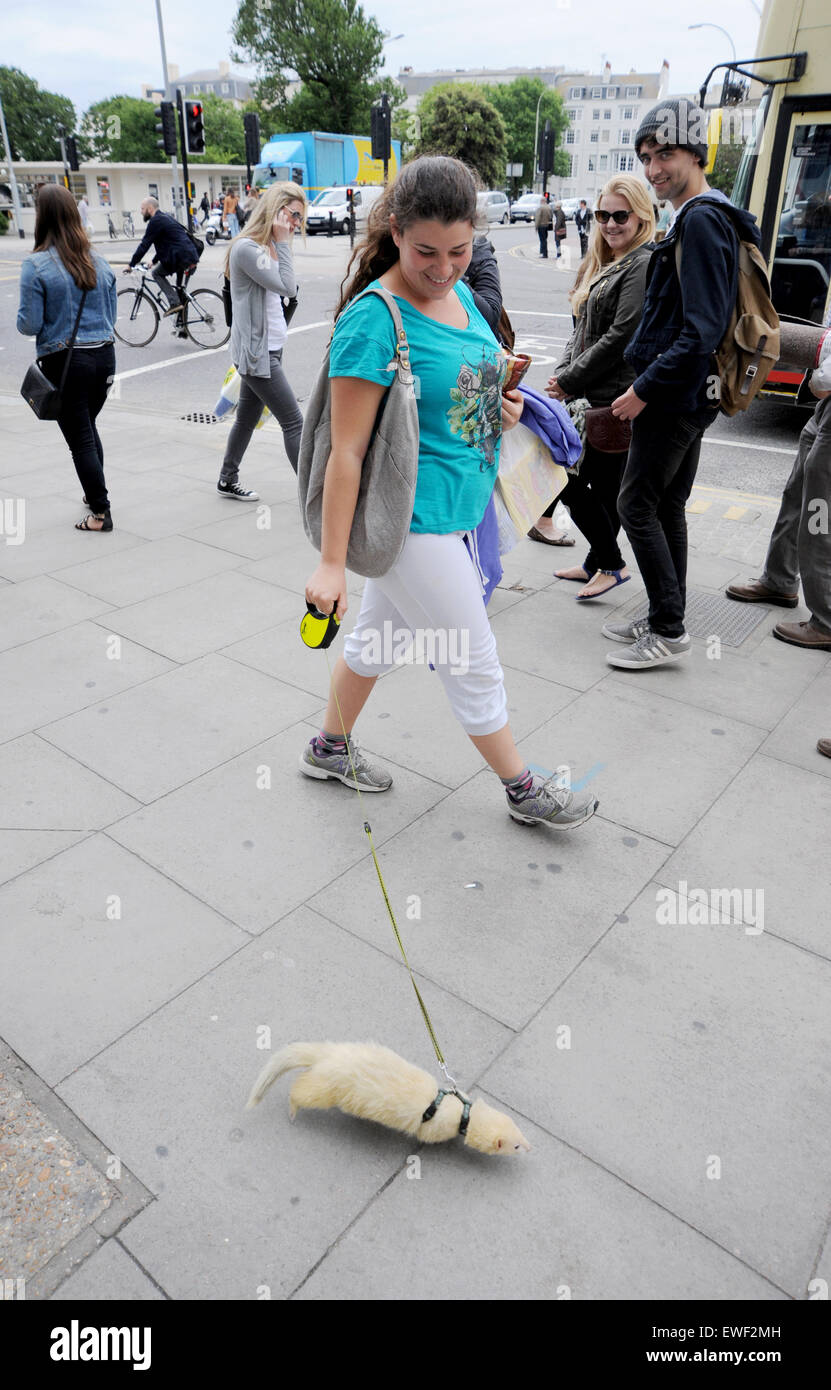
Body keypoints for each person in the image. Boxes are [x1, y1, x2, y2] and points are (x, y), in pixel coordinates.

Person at [300, 155, 599, 831]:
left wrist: (501, 407)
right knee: (470, 657)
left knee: (376, 640)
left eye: (459, 251)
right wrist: (329, 561)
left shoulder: (461, 295)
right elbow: (344, 451)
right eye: (425, 251)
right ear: (395, 231)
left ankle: (328, 746)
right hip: (410, 521)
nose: (442, 268)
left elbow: (463, 391)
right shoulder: (373, 321)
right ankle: (522, 789)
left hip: (461, 505)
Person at [604, 97, 762, 669]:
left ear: (696, 152)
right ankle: (663, 613)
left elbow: (700, 331)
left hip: (675, 395)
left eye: (665, 153)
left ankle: (668, 630)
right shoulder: (708, 214)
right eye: (646, 156)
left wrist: (643, 388)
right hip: (694, 394)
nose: (653, 169)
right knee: (668, 504)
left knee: (635, 505)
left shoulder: (699, 219)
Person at [545, 176, 655, 598]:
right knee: (602, 490)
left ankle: (611, 563)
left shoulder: (641, 263)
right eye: (603, 215)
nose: (610, 224)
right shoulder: (612, 261)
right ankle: (598, 562)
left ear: (641, 215)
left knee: (569, 482)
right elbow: (582, 329)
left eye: (620, 215)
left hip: (615, 397)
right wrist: (561, 372)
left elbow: (623, 333)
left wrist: (570, 380)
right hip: (592, 394)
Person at [17, 184, 117, 532]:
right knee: (87, 427)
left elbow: (28, 324)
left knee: (80, 440)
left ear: (41, 217)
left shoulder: (36, 265)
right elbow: (111, 316)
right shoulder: (100, 261)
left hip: (67, 363)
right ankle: (95, 498)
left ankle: (100, 515)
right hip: (105, 358)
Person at [725, 331, 831, 651]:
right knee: (796, 494)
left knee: (819, 511)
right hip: (825, 405)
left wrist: (821, 379)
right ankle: (779, 580)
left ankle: (826, 620)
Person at [217, 182, 307, 501]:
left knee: (246, 417)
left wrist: (280, 243)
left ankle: (227, 479)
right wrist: (282, 244)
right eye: (294, 215)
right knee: (295, 422)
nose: (297, 223)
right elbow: (287, 287)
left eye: (300, 217)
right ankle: (315, 496)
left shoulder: (267, 245)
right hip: (258, 355)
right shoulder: (247, 249)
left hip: (269, 349)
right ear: (276, 209)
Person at [125, 197, 200, 333]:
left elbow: (144, 245)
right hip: (187, 256)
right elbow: (167, 243)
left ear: (149, 208)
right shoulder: (165, 217)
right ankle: (182, 328)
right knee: (180, 291)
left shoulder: (155, 221)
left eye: (142, 209)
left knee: (156, 273)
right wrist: (153, 261)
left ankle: (174, 303)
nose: (141, 212)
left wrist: (131, 264)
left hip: (181, 258)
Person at [535, 194, 553, 258]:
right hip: (546, 225)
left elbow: (538, 218)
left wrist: (536, 227)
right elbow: (551, 216)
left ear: (542, 201)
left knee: (542, 240)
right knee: (545, 239)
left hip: (541, 225)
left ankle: (544, 254)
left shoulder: (540, 208)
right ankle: (543, 252)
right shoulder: (549, 207)